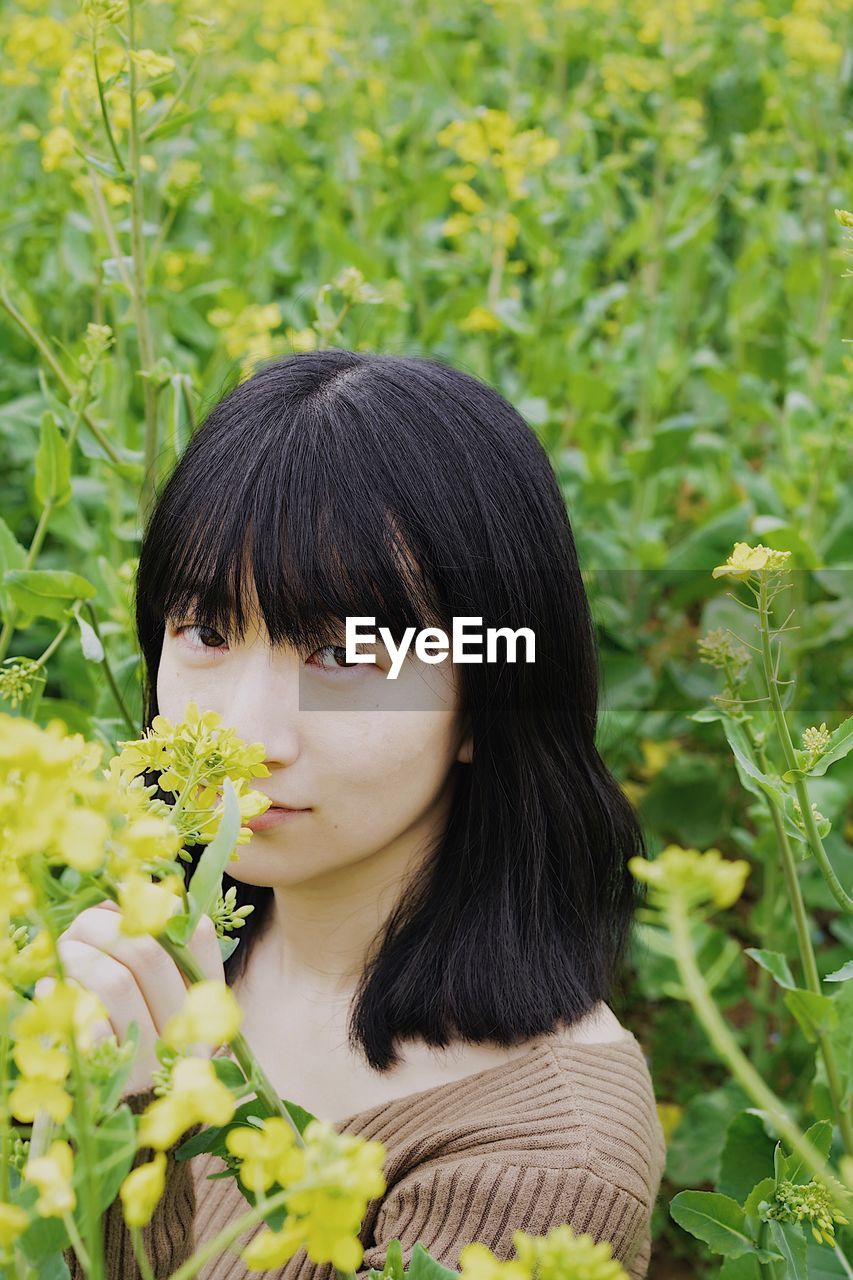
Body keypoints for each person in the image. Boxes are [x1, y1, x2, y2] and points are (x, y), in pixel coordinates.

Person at [60, 349, 666, 1279]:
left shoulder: (544, 1167)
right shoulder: (133, 938)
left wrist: (136, 1128)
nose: (246, 735)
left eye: (344, 653)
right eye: (208, 633)